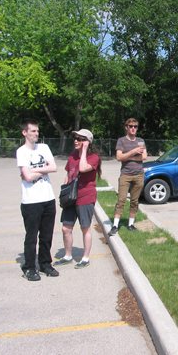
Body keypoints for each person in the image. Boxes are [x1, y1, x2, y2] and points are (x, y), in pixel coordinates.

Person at [16, 119, 59, 281]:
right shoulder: (21, 152)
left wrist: (34, 169)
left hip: (48, 198)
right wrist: (43, 170)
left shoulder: (44, 147)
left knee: (47, 235)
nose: (36, 134)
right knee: (31, 236)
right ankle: (29, 267)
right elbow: (26, 177)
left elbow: (54, 167)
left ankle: (45, 263)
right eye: (33, 131)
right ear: (25, 133)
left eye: (37, 131)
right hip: (31, 201)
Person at [55, 129, 101, 269]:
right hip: (71, 197)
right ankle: (68, 255)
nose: (76, 140)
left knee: (85, 228)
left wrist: (84, 151)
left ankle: (85, 258)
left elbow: (82, 168)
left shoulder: (94, 157)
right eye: (75, 138)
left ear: (87, 142)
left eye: (80, 139)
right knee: (65, 228)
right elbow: (69, 174)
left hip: (86, 196)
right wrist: (64, 192)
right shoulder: (72, 156)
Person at [109, 118, 147, 236]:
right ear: (126, 127)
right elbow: (119, 157)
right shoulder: (121, 141)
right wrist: (134, 151)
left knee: (135, 201)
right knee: (121, 200)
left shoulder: (141, 141)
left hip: (139, 175)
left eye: (135, 126)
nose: (133, 128)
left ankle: (130, 224)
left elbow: (144, 157)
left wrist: (127, 156)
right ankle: (115, 225)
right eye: (131, 126)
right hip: (125, 175)